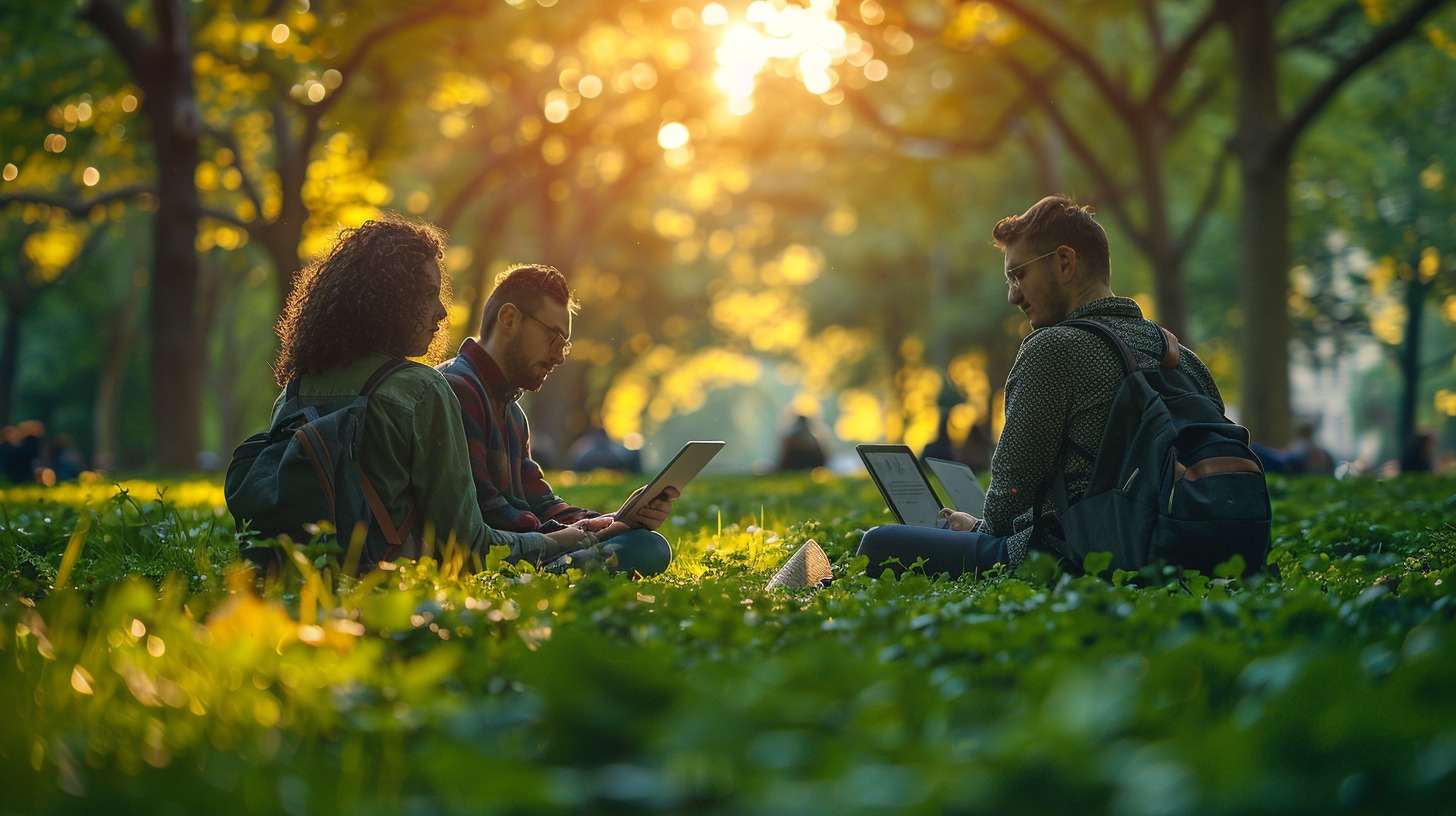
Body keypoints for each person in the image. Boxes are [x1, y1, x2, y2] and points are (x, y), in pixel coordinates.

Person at [855, 194, 1225, 579]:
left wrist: (978, 528)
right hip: (1195, 547)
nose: (1013, 295)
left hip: (1083, 557)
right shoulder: (1179, 355)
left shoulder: (1053, 348)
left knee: (879, 542)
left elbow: (1008, 498)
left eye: (1018, 275)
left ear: (1064, 263)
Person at [267, 215, 589, 570]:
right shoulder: (423, 390)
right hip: (385, 582)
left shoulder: (293, 390)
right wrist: (558, 541)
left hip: (292, 572)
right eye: (429, 293)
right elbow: (467, 546)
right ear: (390, 298)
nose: (441, 312)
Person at [437, 264, 675, 577]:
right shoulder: (455, 389)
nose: (560, 356)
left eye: (565, 344)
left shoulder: (512, 412)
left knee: (645, 543)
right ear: (509, 319)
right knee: (645, 550)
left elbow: (540, 500)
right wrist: (580, 536)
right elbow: (488, 510)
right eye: (555, 337)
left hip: (529, 549)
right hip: (490, 561)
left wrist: (611, 520)